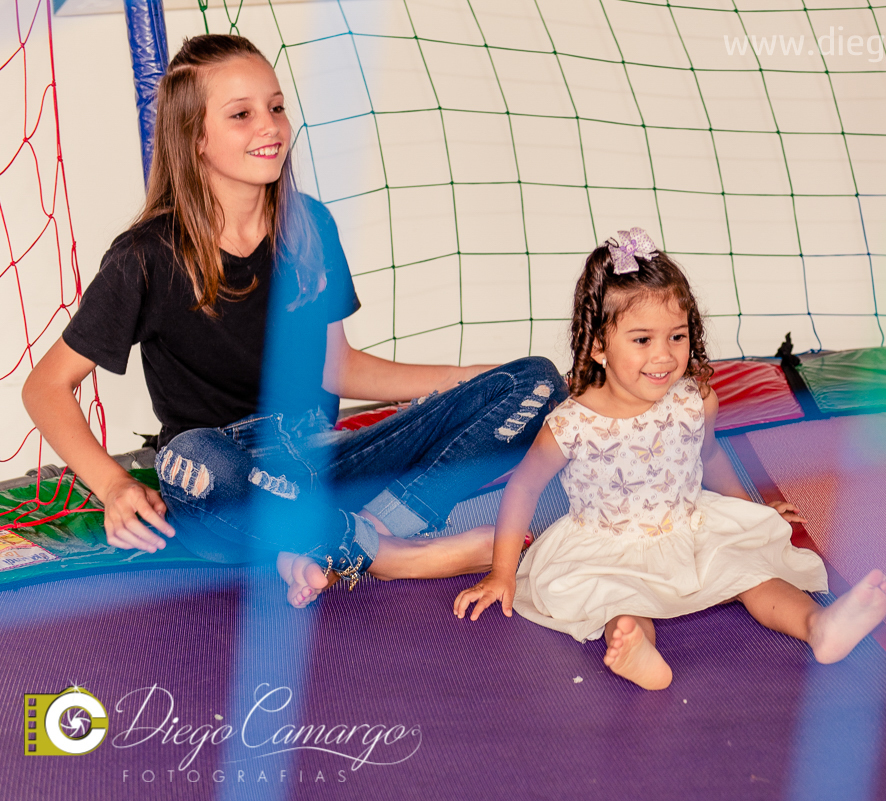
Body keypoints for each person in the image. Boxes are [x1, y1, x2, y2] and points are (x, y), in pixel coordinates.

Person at [22, 34, 566, 608]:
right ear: (195, 138)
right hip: (226, 480)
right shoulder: (147, 256)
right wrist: (113, 484)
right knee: (195, 459)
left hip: (322, 457)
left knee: (535, 381)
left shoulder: (310, 225)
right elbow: (46, 386)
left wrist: (466, 381)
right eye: (241, 114)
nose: (270, 125)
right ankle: (389, 554)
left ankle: (351, 535)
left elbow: (338, 367)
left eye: (276, 107)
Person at [453, 229, 886, 690]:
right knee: (618, 601)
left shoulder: (693, 400)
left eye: (676, 336)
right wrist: (501, 572)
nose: (663, 355)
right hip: (608, 548)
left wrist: (751, 509)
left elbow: (710, 454)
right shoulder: (572, 424)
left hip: (690, 527)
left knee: (754, 573)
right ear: (599, 346)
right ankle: (637, 650)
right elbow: (524, 487)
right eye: (642, 339)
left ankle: (819, 627)